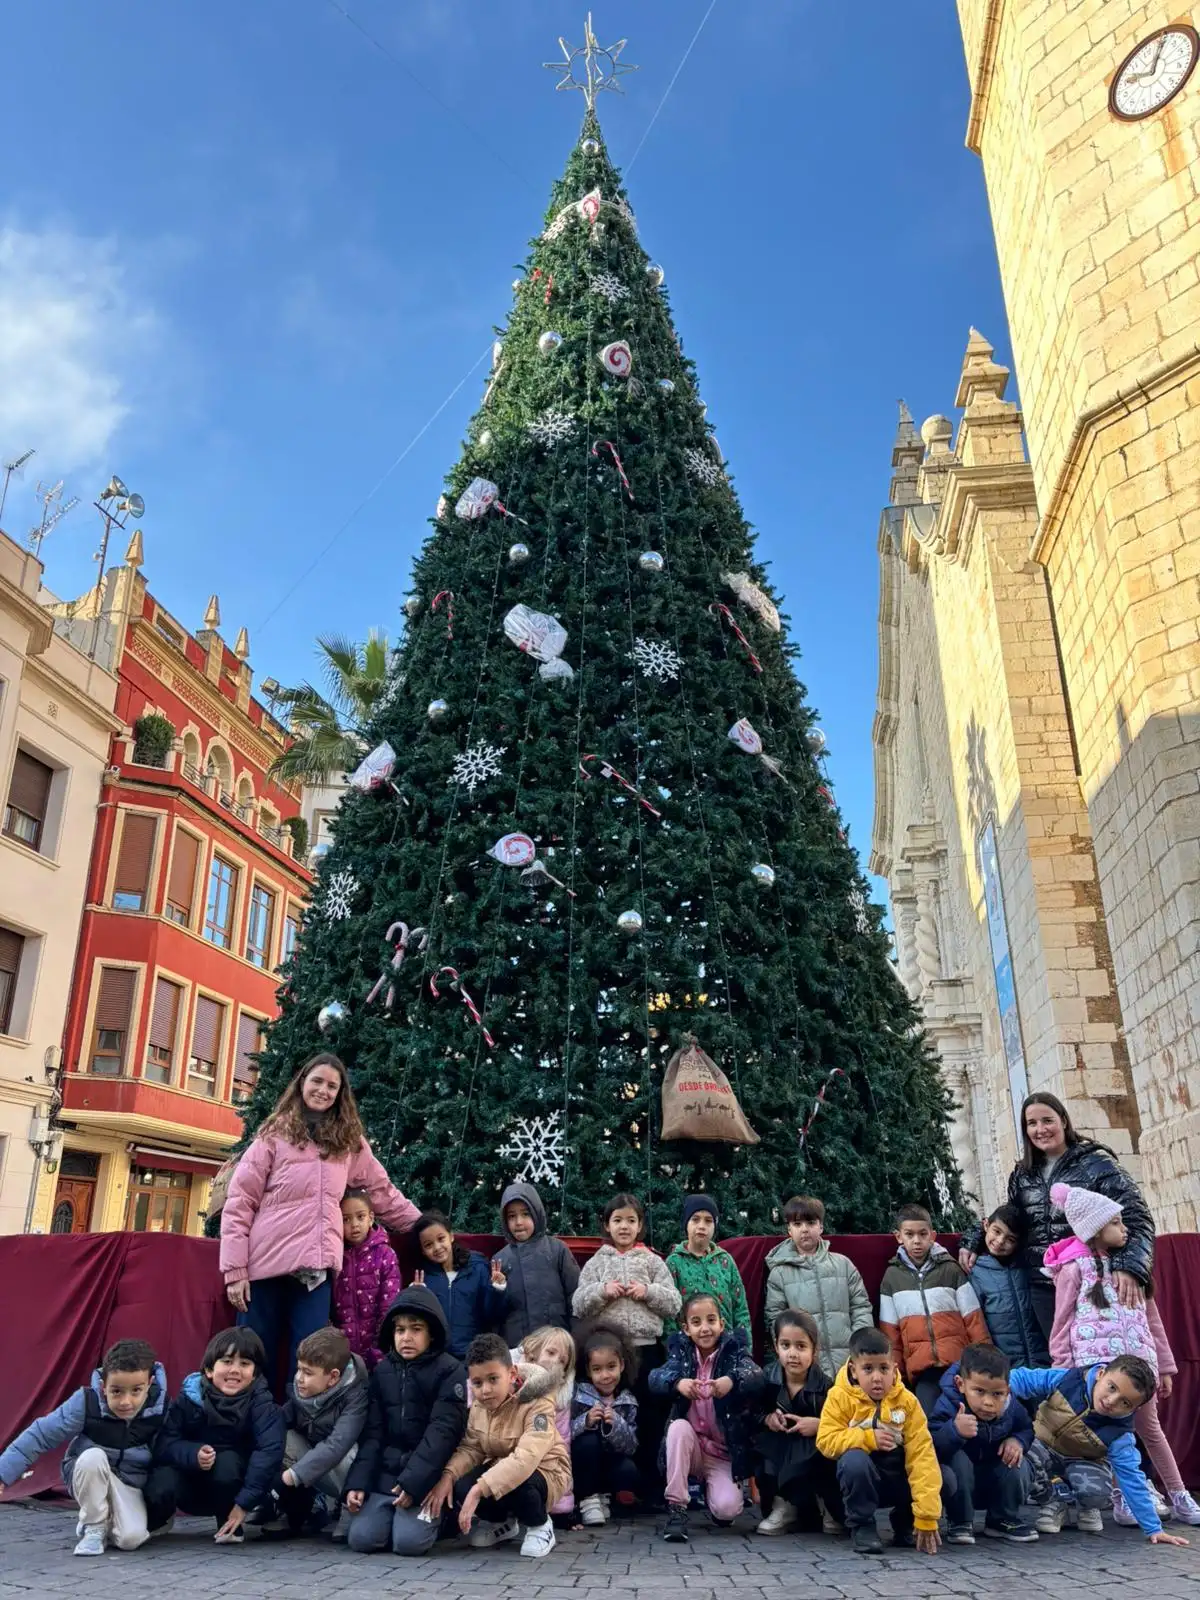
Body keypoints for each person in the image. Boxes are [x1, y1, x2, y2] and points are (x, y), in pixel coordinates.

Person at [220, 1053, 420, 1388]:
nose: (323, 1090)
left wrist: (423, 1226)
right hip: (265, 1268)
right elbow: (240, 1202)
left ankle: (298, 1421)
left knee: (311, 1361)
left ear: (340, 1094)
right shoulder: (274, 1135)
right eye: (317, 1081)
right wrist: (235, 1271)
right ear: (302, 1083)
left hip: (314, 1272)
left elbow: (381, 1191)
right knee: (254, 1356)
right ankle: (253, 1420)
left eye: (332, 1085)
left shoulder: (348, 1144)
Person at [1042, 1181, 1200, 1526]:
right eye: (1115, 1223)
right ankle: (1122, 1498)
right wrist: (1064, 1371)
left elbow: (1152, 1320)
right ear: (1096, 1229)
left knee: (1152, 1431)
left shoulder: (1131, 1269)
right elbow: (1061, 1323)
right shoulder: (1073, 1270)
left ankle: (1178, 1493)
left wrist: (1164, 1367)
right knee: (1112, 1436)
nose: (1124, 1229)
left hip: (1140, 1370)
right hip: (1100, 1373)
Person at [958, 1091, 1154, 1341]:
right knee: (1061, 1358)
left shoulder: (1097, 1164)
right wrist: (976, 1236)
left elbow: (1136, 1216)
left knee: (1102, 1353)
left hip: (1092, 1281)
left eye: (1047, 1120)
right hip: (1043, 1287)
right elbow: (1011, 1219)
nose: (1040, 1129)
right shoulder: (1022, 1174)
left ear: (1063, 1120)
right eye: (1032, 1123)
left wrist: (1128, 1266)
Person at [0, 1338, 171, 1557]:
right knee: (93, 1457)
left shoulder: (160, 1408)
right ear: (103, 1386)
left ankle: (107, 1517)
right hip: (87, 1471)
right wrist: (3, 1474)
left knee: (130, 1539)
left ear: (149, 1384)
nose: (126, 1402)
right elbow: (40, 1435)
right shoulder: (86, 1401)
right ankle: (94, 1526)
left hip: (129, 1480)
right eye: (116, 1391)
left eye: (136, 1391)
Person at [1008, 1355, 1189, 1546]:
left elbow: (1132, 1479)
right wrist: (996, 1391)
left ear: (1135, 1409)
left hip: (1084, 1459)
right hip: (1042, 1443)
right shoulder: (1068, 1380)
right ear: (1101, 1374)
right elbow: (1023, 1379)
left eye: (1125, 1403)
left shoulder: (1120, 1434)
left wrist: (1154, 1529)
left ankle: (1087, 1507)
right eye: (1112, 1387)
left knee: (1096, 1494)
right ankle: (1052, 1501)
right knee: (1020, 1457)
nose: (1112, 1401)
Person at [343, 1285, 468, 1556]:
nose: (406, 1337)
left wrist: (413, 1483)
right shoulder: (383, 1371)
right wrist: (358, 1483)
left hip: (427, 1480)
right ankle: (390, 1517)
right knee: (362, 1540)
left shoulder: (450, 1371)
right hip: (386, 1478)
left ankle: (444, 1519)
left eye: (416, 1329)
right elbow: (373, 1434)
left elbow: (442, 1434)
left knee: (409, 1543)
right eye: (400, 1330)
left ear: (431, 1333)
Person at [422, 1332, 571, 1561]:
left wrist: (479, 1489)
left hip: (547, 1470)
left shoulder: (539, 1400)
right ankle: (503, 1523)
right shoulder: (480, 1405)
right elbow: (471, 1447)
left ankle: (540, 1525)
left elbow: (527, 1457)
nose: (485, 1390)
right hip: (502, 1466)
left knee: (519, 1483)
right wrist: (448, 1476)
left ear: (512, 1374)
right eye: (477, 1383)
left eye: (493, 1379)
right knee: (462, 1484)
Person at [571, 1193, 680, 1499]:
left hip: (647, 1351)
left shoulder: (652, 1262)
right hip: (610, 1356)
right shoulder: (597, 1263)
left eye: (631, 1220)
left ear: (640, 1225)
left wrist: (648, 1291)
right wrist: (601, 1291)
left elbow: (674, 1303)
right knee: (612, 1417)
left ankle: (649, 1486)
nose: (624, 1226)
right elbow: (578, 1303)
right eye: (617, 1220)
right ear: (607, 1225)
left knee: (650, 1417)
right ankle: (614, 1485)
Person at [149, 1327, 284, 1545]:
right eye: (227, 1361)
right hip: (190, 1482)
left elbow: (268, 1453)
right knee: (161, 1480)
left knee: (227, 1463)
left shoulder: (264, 1406)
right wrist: (193, 1454)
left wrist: (244, 1504)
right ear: (209, 1370)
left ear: (255, 1374)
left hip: (235, 1485)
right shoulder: (188, 1399)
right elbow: (164, 1444)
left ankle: (229, 1520)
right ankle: (159, 1518)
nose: (235, 1370)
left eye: (245, 1364)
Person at [816, 1326, 942, 1557]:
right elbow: (825, 1440)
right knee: (854, 1461)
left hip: (894, 1477)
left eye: (883, 1368)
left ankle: (906, 1521)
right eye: (868, 1369)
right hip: (857, 1483)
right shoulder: (839, 1396)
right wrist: (867, 1438)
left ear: (894, 1368)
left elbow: (922, 1455)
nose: (877, 1378)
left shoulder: (908, 1403)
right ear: (853, 1371)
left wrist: (926, 1515)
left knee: (944, 1475)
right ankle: (862, 1525)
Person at [649, 1291, 762, 1543]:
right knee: (678, 1428)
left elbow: (757, 1375)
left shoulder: (734, 1351)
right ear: (686, 1329)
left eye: (711, 1320)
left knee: (727, 1511)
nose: (704, 1328)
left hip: (721, 1451)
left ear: (722, 1324)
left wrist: (732, 1380)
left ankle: (713, 1493)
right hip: (692, 1447)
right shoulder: (681, 1353)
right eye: (696, 1322)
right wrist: (677, 1383)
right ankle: (676, 1507)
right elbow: (655, 1377)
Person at [879, 1204, 990, 1414]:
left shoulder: (950, 1269)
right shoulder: (891, 1278)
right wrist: (896, 1376)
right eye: (909, 1234)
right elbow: (890, 1333)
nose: (917, 1241)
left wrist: (984, 1362)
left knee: (966, 1418)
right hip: (922, 1372)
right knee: (929, 1422)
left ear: (932, 1235)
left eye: (923, 1234)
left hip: (959, 1366)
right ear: (898, 1237)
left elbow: (973, 1319)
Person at [926, 1343, 1035, 1544]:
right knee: (957, 1458)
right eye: (979, 1391)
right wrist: (954, 1430)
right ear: (961, 1384)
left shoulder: (1012, 1407)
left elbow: (1026, 1428)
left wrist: (1017, 1440)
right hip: (962, 1485)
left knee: (1018, 1460)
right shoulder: (948, 1404)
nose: (988, 1402)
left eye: (997, 1394)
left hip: (994, 1479)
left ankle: (1002, 1519)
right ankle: (960, 1521)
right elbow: (931, 1446)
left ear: (1007, 1391)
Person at [750, 1309, 844, 1538]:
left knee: (827, 1451)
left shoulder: (826, 1387)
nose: (793, 1354)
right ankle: (782, 1505)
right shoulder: (767, 1380)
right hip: (779, 1448)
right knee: (761, 1446)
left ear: (814, 1349)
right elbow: (751, 1412)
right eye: (786, 1345)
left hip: (811, 1452)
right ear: (776, 1347)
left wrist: (820, 1425)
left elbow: (843, 1423)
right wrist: (767, 1418)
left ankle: (826, 1505)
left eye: (801, 1346)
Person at [268, 1326, 367, 1539]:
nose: (299, 1378)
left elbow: (338, 1443)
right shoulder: (303, 1388)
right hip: (315, 1461)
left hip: (348, 1474)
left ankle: (349, 1510)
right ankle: (301, 1508)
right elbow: (280, 1422)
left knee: (347, 1452)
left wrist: (290, 1477)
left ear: (333, 1377)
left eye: (308, 1373)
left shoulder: (356, 1397)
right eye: (299, 1369)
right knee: (279, 1438)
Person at [762, 1195, 873, 1378]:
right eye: (797, 1224)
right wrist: (795, 1354)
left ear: (821, 1226)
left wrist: (859, 1346)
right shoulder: (779, 1274)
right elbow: (776, 1319)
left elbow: (861, 1307)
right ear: (789, 1229)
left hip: (849, 1365)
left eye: (811, 1223)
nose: (804, 1229)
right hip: (807, 1370)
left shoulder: (843, 1264)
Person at [492, 1182, 580, 1345]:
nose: (518, 1222)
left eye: (525, 1214)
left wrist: (576, 1339)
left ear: (537, 1214)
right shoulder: (500, 1259)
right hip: (518, 1346)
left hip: (555, 1343)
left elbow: (575, 1297)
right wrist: (498, 1289)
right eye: (511, 1216)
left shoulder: (557, 1250)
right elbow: (495, 1314)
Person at [570, 1324, 640, 1526]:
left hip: (608, 1463)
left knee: (628, 1470)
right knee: (588, 1442)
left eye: (611, 1367)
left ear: (622, 1365)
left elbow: (631, 1446)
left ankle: (605, 1495)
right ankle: (587, 1498)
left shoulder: (628, 1401)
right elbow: (564, 1433)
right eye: (597, 1369)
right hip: (581, 1465)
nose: (605, 1375)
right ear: (588, 1370)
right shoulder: (578, 1395)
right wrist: (585, 1421)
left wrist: (616, 1424)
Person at [412, 1209, 505, 1358]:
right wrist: (416, 1298)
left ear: (451, 1236)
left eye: (441, 1239)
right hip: (437, 1358)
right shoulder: (423, 1278)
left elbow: (492, 1315)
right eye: (428, 1245)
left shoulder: (477, 1267)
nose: (437, 1247)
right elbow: (418, 1325)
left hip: (474, 1355)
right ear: (422, 1250)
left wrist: (497, 1289)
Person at [968, 1205, 1050, 1368]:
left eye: (1010, 1239)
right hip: (1004, 1366)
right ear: (986, 1225)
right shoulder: (975, 1271)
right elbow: (976, 1322)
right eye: (997, 1231)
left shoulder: (1027, 1267)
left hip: (1042, 1361)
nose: (1000, 1241)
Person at [332, 1189, 402, 1373]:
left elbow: (389, 1305)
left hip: (379, 1352)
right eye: (346, 1219)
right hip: (344, 1355)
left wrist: (381, 1347)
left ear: (371, 1218)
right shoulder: (335, 1256)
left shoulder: (385, 1254)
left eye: (360, 1217)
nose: (354, 1224)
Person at [664, 1194, 750, 1335]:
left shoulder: (725, 1261)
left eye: (708, 1221)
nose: (702, 1226)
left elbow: (740, 1309)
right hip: (689, 1344)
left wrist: (743, 1344)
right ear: (686, 1223)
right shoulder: (674, 1263)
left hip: (726, 1343)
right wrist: (675, 1345)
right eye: (695, 1219)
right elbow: (668, 1312)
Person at [517, 1326, 577, 1522]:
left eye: (562, 1361)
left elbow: (562, 1447)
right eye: (551, 1353)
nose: (554, 1362)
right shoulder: (507, 1379)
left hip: (538, 1463)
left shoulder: (560, 1400)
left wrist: (562, 1505)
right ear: (533, 1351)